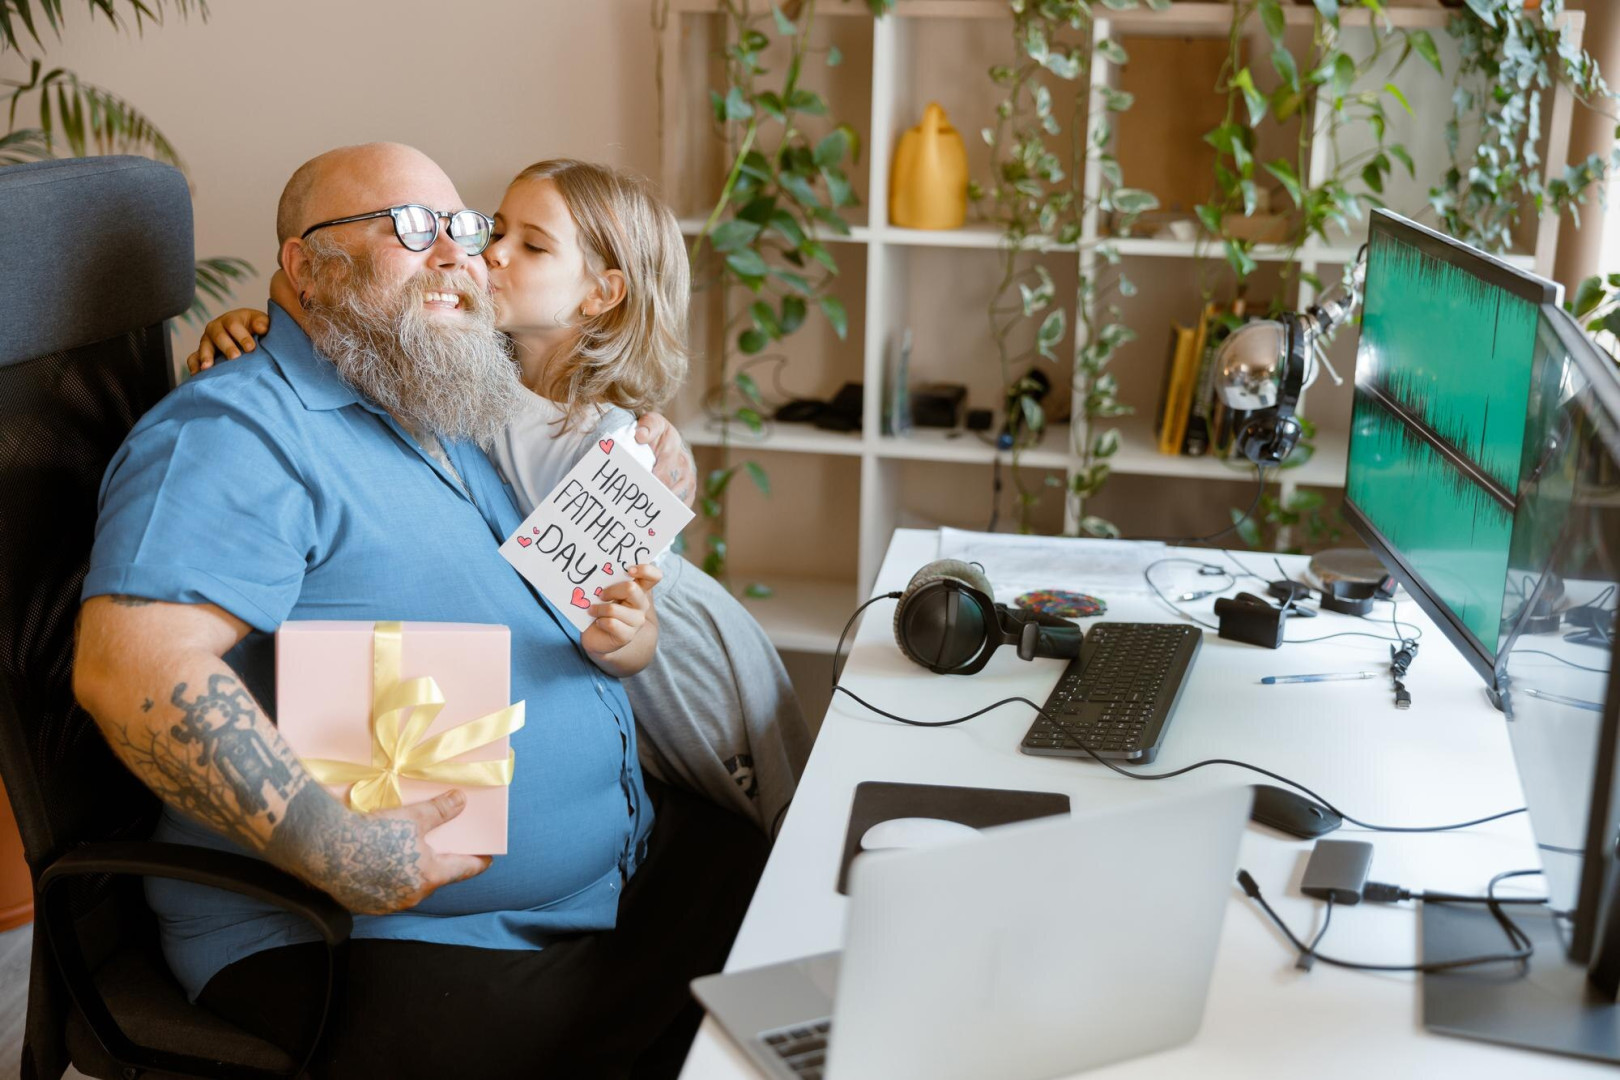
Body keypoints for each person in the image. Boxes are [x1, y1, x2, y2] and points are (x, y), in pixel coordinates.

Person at [73, 142, 767, 1079]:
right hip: (374, 940)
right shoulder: (238, 431)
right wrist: (336, 847)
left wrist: (652, 458)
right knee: (749, 1032)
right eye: (408, 229)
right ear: (307, 268)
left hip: (591, 889)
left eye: (462, 227)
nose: (459, 256)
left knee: (789, 905)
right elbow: (131, 667)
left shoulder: (431, 400)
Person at [189, 158, 812, 835]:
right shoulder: (464, 372)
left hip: (679, 665)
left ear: (600, 295)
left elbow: (619, 627)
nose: (491, 255)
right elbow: (367, 327)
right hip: (566, 695)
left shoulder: (613, 445)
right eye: (497, 230)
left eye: (533, 245)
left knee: (774, 837)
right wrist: (258, 318)